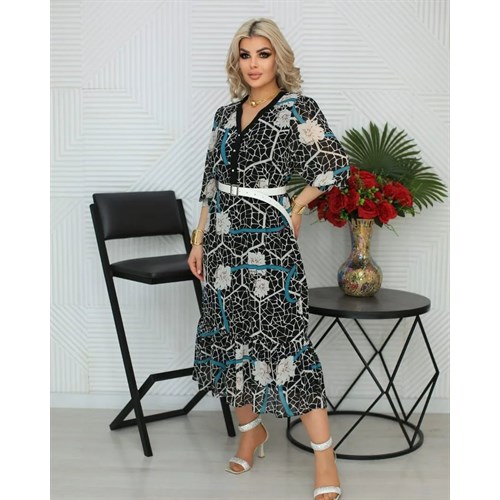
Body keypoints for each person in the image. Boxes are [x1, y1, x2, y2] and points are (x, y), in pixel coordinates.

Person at [188, 17, 350, 500]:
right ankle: (251, 432)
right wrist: (198, 240)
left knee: (285, 343)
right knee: (230, 338)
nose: (254, 64)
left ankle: (325, 458)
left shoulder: (298, 108)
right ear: (236, 61)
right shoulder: (224, 115)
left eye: (263, 54)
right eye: (245, 55)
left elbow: (334, 166)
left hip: (268, 242)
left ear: (278, 57)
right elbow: (210, 182)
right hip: (221, 241)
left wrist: (296, 206)